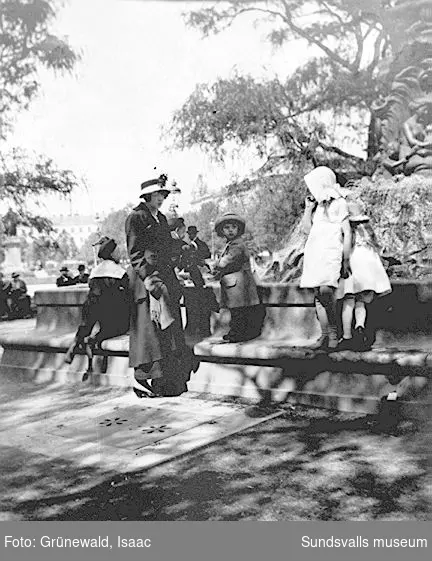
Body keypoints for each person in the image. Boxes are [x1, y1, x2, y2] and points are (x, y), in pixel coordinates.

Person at [125, 173, 195, 398]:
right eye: (158, 194)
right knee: (150, 333)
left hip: (165, 277)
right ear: (147, 195)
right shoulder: (136, 217)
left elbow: (166, 245)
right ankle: (144, 381)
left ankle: (166, 381)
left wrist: (181, 248)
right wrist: (147, 277)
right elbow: (135, 254)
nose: (162, 198)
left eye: (163, 194)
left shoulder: (161, 218)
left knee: (167, 330)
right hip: (147, 281)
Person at [299, 166, 352, 350]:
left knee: (326, 290)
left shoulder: (339, 203)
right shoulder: (318, 207)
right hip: (315, 253)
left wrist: (346, 259)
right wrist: (308, 209)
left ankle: (334, 331)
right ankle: (324, 335)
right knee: (317, 295)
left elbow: (347, 232)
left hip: (331, 252)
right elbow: (307, 229)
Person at [64, 237, 130, 370]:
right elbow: (128, 289)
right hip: (109, 305)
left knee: (85, 326)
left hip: (91, 303)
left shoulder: (95, 270)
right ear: (111, 254)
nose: (119, 254)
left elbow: (90, 285)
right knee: (118, 328)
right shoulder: (118, 271)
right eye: (117, 252)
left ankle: (76, 343)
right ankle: (94, 339)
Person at [336, 201, 392, 350]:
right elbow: (378, 252)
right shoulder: (369, 235)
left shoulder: (347, 233)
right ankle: (360, 326)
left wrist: (342, 264)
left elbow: (343, 249)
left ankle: (347, 336)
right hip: (369, 266)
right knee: (361, 301)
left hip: (354, 263)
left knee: (348, 300)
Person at [212, 212, 264, 343]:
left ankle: (239, 333)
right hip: (235, 283)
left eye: (233, 227)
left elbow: (227, 261)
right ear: (222, 230)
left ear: (238, 229)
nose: (230, 230)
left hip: (238, 284)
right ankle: (235, 331)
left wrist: (215, 264)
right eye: (226, 227)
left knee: (239, 310)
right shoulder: (231, 244)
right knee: (236, 310)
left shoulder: (237, 245)